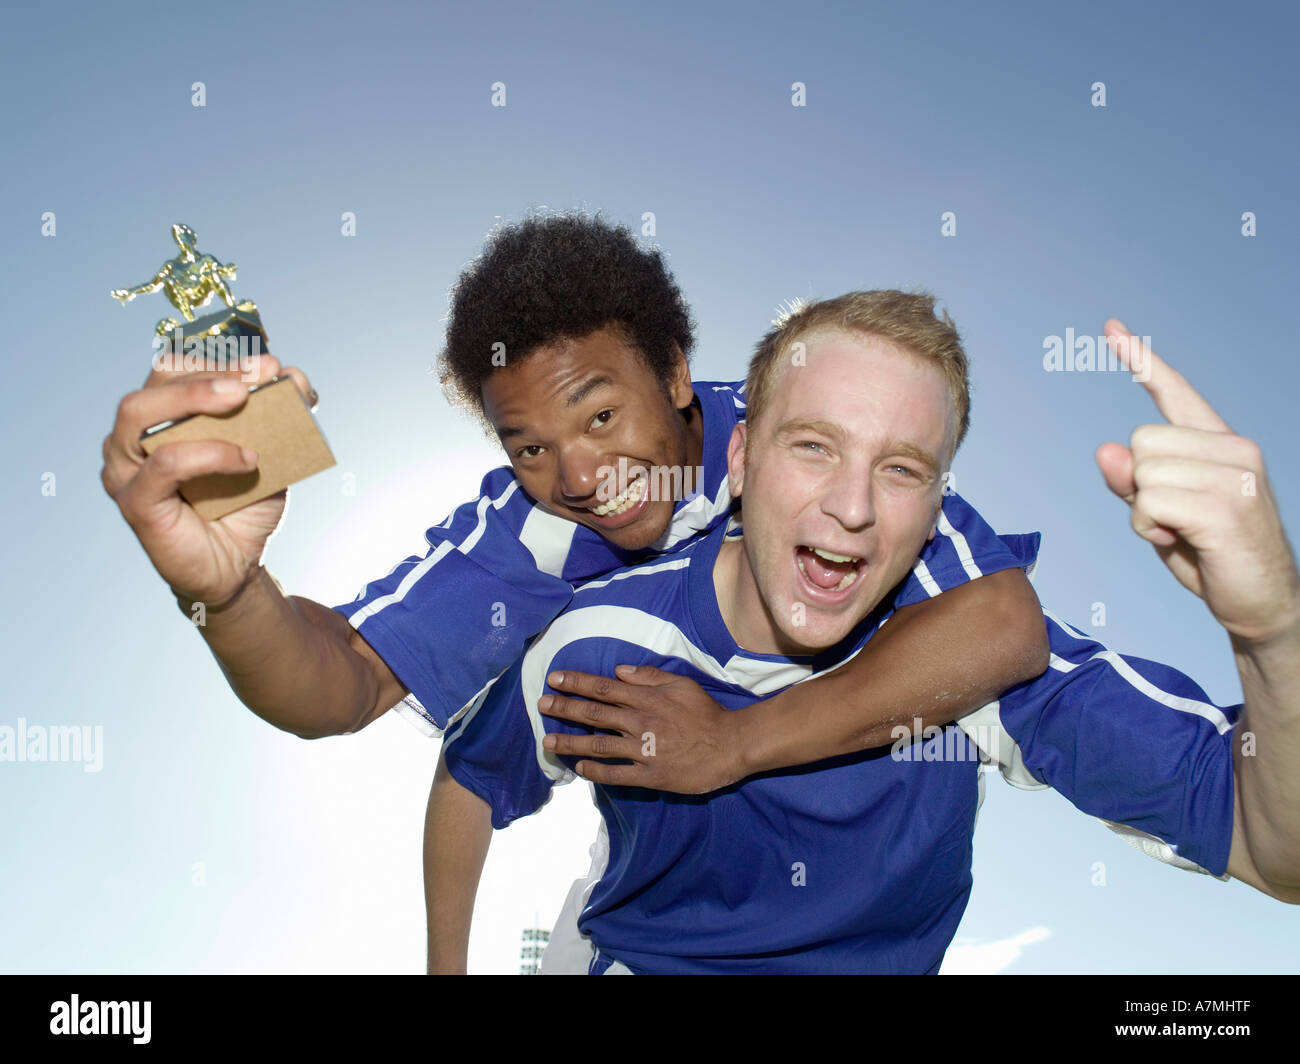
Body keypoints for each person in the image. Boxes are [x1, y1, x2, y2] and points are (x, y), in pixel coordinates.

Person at [100, 214, 1048, 968]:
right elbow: (340, 685)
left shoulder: (811, 448)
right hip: (655, 922)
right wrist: (228, 595)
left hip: (872, 919)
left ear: (676, 372)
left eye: (600, 413)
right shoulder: (529, 534)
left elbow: (1003, 624)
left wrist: (737, 744)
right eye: (530, 447)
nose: (581, 472)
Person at [436, 292, 1300, 973]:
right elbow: (472, 774)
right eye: (813, 446)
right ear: (739, 459)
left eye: (900, 469)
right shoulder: (604, 637)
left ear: (938, 508)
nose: (851, 508)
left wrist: (1272, 634)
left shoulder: (975, 675)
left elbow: (1275, 850)